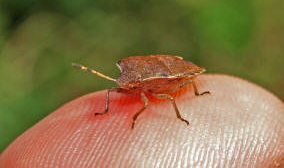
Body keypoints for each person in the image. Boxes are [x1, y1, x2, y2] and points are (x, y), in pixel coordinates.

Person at [0, 75, 283, 167]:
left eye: (132, 85)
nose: (126, 87)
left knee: (169, 98)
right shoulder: (128, 86)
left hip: (170, 78)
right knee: (111, 89)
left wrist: (136, 115)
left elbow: (157, 98)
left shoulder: (149, 92)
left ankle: (187, 106)